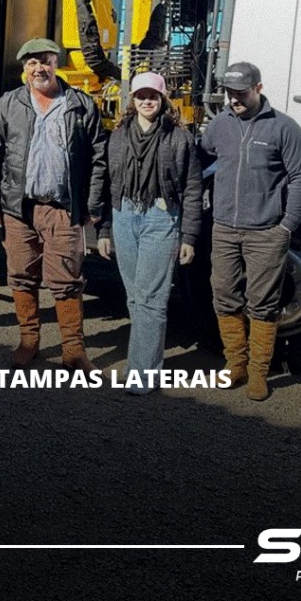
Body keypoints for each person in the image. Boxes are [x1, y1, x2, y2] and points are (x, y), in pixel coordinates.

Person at [0, 37, 107, 371]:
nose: (39, 69)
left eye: (45, 62)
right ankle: (29, 342)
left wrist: (93, 204)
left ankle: (73, 351)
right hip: (19, 209)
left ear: (56, 64)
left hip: (62, 209)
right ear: (25, 67)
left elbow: (99, 157)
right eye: (32, 63)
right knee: (21, 276)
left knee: (66, 280)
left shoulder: (79, 105)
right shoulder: (10, 103)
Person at [199, 61, 301, 401]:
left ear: (258, 89)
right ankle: (235, 364)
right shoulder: (219, 125)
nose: (234, 99)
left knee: (262, 304)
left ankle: (258, 373)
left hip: (266, 232)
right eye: (229, 93)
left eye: (241, 93)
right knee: (224, 295)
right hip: (224, 228)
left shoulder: (283, 128)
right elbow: (203, 158)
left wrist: (286, 226)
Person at [97, 71, 202, 395]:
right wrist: (104, 229)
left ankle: (142, 373)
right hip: (124, 216)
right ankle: (146, 364)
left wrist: (189, 236)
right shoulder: (119, 136)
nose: (146, 101)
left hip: (161, 216)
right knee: (135, 297)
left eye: (152, 96)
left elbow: (192, 188)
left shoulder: (179, 138)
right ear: (133, 100)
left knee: (151, 299)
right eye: (141, 96)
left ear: (163, 99)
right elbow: (109, 184)